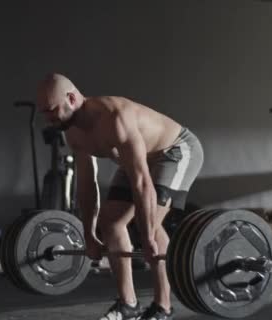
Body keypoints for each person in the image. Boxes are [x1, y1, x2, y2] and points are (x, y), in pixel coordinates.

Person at [36, 73, 203, 320]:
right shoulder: (73, 133)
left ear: (71, 99)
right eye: (45, 113)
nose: (49, 119)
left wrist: (146, 238)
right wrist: (89, 235)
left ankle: (163, 307)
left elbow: (141, 182)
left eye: (52, 110)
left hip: (175, 151)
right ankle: (129, 306)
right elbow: (86, 185)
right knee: (111, 224)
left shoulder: (115, 117)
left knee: (151, 225)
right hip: (137, 161)